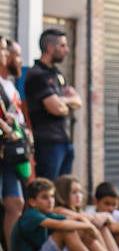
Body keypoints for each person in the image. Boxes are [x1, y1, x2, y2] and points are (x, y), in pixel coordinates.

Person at [11, 177, 119, 251]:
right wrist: (89, 226)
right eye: (45, 197)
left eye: (52, 196)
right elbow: (61, 225)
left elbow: (76, 219)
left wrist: (87, 225)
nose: (50, 201)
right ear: (32, 202)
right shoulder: (30, 215)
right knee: (66, 231)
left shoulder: (47, 214)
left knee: (79, 229)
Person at [24, 29, 80, 180]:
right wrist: (65, 102)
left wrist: (62, 101)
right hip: (48, 144)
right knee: (48, 188)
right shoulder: (37, 75)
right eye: (62, 46)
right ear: (50, 48)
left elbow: (77, 101)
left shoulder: (57, 74)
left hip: (65, 141)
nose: (67, 50)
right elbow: (56, 108)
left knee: (64, 188)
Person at [1, 36, 29, 251]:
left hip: (11, 152)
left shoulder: (9, 84)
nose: (10, 57)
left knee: (16, 203)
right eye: (4, 50)